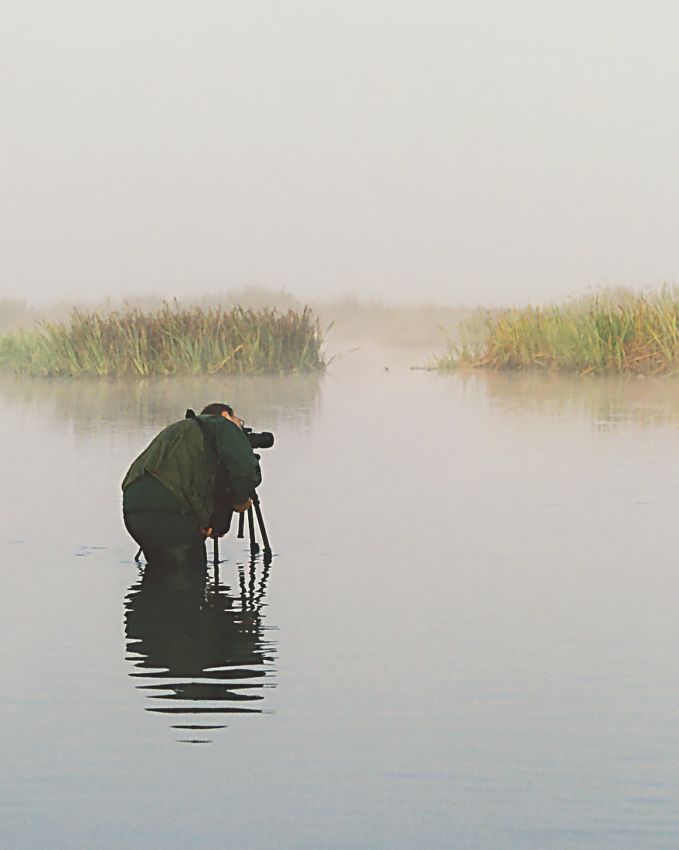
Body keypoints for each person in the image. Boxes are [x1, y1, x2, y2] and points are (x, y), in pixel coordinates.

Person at [122, 402, 261, 568]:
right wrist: (241, 499)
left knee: (161, 572)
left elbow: (187, 480)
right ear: (225, 415)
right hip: (171, 510)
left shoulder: (182, 430)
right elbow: (244, 470)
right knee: (187, 578)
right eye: (240, 422)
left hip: (134, 510)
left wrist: (209, 521)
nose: (241, 428)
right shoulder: (223, 425)